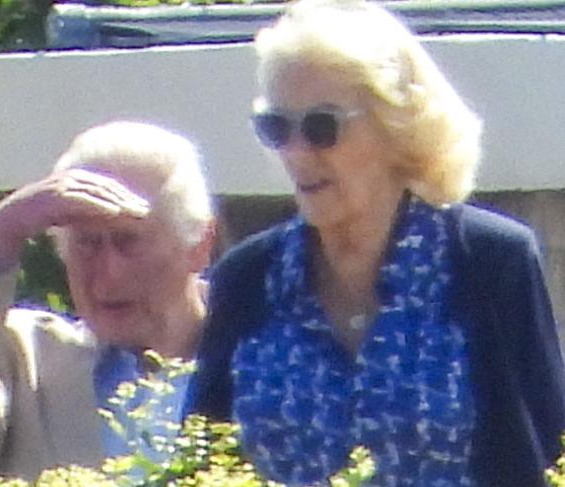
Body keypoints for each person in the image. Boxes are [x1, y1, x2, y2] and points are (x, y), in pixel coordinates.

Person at [189, 1, 565, 486]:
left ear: (395, 126)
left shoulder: (492, 263)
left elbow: (552, 452)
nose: (296, 152)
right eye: (276, 128)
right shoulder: (246, 279)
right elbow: (196, 462)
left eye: (322, 127)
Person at [0, 121, 214, 480]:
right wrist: (0, 236)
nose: (109, 271)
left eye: (128, 241)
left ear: (199, 246)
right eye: (86, 243)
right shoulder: (29, 359)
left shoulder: (260, 357)